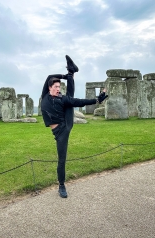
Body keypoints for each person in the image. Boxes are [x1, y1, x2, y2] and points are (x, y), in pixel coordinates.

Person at [41, 55, 108, 198]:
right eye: (56, 86)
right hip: (57, 132)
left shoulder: (62, 98)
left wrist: (95, 100)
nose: (58, 89)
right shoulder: (45, 95)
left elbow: (79, 101)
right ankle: (71, 72)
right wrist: (64, 76)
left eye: (60, 86)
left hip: (64, 127)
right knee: (70, 98)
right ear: (49, 87)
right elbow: (49, 76)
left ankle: (61, 185)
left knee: (72, 100)